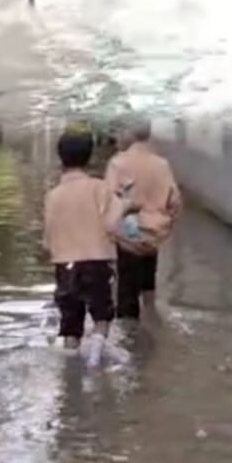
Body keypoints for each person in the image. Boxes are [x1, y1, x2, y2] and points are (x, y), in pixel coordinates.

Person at [42, 128, 125, 366]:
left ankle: (70, 370)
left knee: (70, 324)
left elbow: (48, 237)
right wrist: (123, 205)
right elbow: (112, 225)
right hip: (97, 261)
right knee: (102, 315)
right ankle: (95, 359)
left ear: (61, 158)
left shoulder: (53, 195)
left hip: (65, 265)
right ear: (89, 157)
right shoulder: (100, 188)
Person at [103, 116, 182, 334]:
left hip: (127, 238)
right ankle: (152, 332)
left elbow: (109, 202)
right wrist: (164, 228)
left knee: (126, 295)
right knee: (148, 290)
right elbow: (175, 203)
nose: (116, 135)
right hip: (153, 237)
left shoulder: (118, 163)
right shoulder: (162, 164)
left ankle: (133, 348)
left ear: (129, 132)